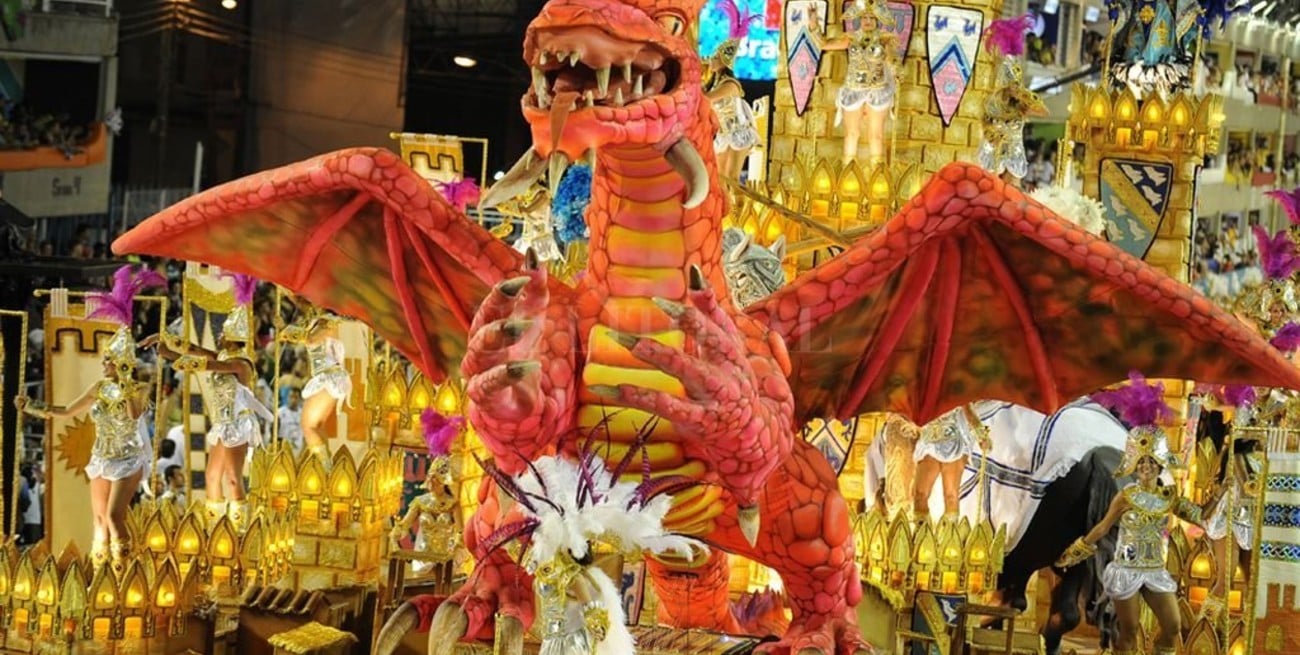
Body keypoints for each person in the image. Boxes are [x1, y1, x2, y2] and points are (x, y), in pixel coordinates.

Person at [1057, 375, 1212, 655]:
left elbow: (1200, 516)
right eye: (1141, 463)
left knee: (1173, 626)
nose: (1146, 468)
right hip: (1126, 571)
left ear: (1160, 465)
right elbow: (1103, 528)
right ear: (1133, 465)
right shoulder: (1126, 496)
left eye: (1151, 462)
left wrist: (1223, 497)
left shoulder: (1168, 497)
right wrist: (1074, 553)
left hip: (1154, 571)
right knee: (1128, 631)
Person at [17, 326, 152, 573]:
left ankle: (122, 574)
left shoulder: (140, 388)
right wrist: (31, 406)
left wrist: (125, 380)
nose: (103, 363)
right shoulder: (99, 388)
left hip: (128, 459)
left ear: (122, 363)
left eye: (108, 359)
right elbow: (67, 411)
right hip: (101, 458)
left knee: (113, 517)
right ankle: (101, 575)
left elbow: (133, 414)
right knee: (99, 520)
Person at [150, 304, 271, 525]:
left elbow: (201, 364)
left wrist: (169, 355)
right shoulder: (225, 357)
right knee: (212, 476)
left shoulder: (241, 364)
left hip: (238, 423)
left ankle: (239, 528)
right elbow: (194, 349)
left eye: (223, 333)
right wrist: (166, 339)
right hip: (223, 423)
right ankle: (215, 525)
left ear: (233, 338)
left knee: (233, 478)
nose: (219, 336)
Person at [809, 0, 898, 165]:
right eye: (864, 17)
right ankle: (848, 173)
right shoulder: (850, 38)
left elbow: (892, 61)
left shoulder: (884, 39)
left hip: (877, 90)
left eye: (872, 18)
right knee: (851, 134)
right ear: (859, 19)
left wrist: (896, 71)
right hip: (853, 89)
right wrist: (814, 24)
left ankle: (877, 175)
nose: (868, 21)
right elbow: (823, 44)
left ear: (877, 20)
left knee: (876, 136)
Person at [279, 297, 351, 465]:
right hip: (326, 376)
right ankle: (326, 467)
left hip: (329, 377)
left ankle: (325, 469)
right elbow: (301, 303)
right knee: (317, 426)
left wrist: (284, 329)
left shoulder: (328, 322)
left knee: (308, 426)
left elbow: (311, 339)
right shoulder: (319, 319)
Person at [705, 0, 760, 181]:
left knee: (731, 178)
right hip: (723, 135)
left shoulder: (730, 85)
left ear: (724, 61)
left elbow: (706, 98)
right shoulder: (713, 83)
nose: (711, 60)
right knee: (720, 179)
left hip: (739, 131)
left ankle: (740, 201)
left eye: (715, 57)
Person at [277, 386, 305, 453]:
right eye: (291, 397)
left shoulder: (303, 414)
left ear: (300, 399)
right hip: (284, 450)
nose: (293, 400)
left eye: (296, 397)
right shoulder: (280, 412)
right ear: (287, 397)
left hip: (299, 449)